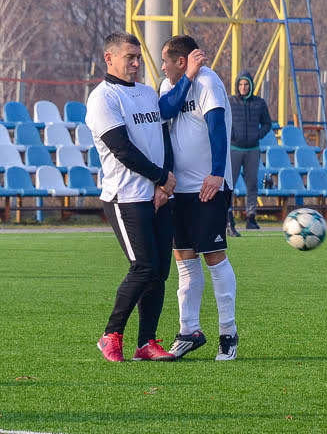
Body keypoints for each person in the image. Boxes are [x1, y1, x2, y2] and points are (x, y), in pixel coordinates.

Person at [87, 31, 188, 362]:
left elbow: (163, 140)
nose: (135, 63)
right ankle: (111, 335)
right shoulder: (102, 98)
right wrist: (161, 177)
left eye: (137, 57)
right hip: (125, 196)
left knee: (159, 271)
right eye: (129, 57)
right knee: (143, 266)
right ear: (110, 58)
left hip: (157, 196)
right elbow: (122, 149)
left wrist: (163, 184)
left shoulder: (147, 93)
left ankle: (146, 343)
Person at [159, 35, 239, 361]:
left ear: (181, 60)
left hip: (209, 186)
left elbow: (217, 128)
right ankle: (188, 330)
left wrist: (217, 173)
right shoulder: (170, 85)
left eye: (166, 60)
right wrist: (186, 78)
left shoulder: (209, 81)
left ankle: (228, 333)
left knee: (214, 258)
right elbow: (164, 111)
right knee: (185, 262)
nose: (162, 66)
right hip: (180, 190)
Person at [227, 70, 272, 235]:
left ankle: (251, 218)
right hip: (234, 149)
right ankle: (228, 217)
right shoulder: (230, 102)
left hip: (252, 150)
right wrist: (232, 136)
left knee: (252, 185)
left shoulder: (259, 103)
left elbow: (267, 124)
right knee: (229, 185)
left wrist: (257, 136)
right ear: (237, 85)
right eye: (241, 84)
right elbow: (224, 121)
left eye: (246, 84)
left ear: (251, 86)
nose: (243, 87)